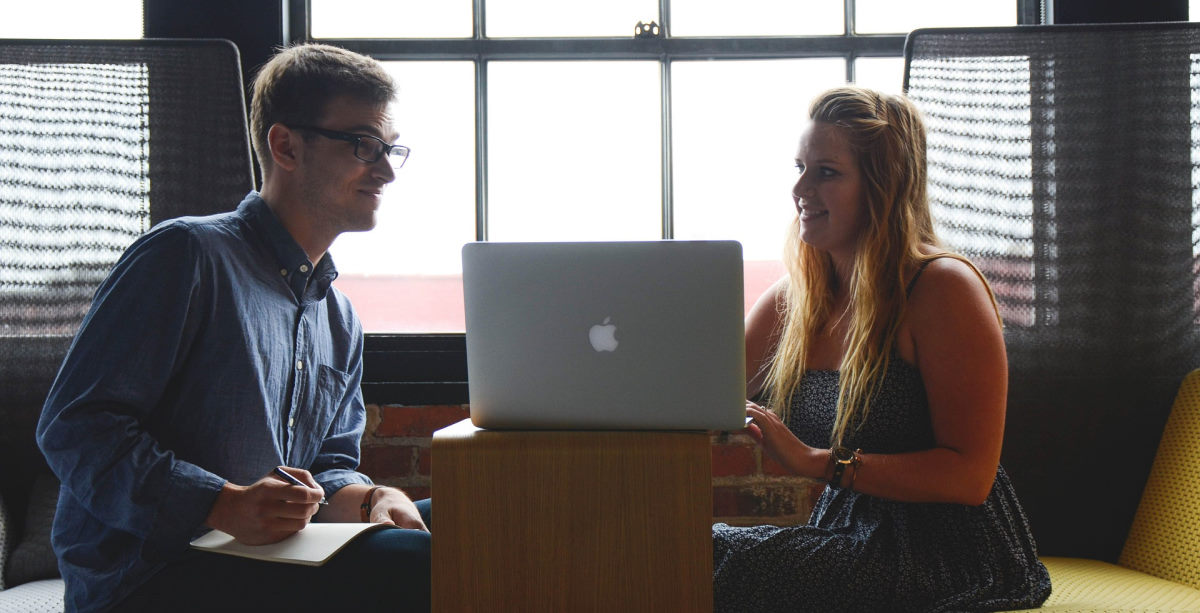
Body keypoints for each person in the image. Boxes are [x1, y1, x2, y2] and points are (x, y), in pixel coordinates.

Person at [37, 43, 430, 613]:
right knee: (422, 566)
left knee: (474, 530)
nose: (387, 170)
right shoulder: (185, 255)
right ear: (286, 145)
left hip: (269, 560)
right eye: (364, 145)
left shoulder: (338, 317)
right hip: (151, 577)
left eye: (391, 148)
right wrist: (218, 503)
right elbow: (75, 427)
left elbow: (327, 469)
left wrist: (372, 496)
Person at [712, 86, 1051, 612]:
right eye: (800, 167)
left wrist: (815, 461)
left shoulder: (941, 288)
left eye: (826, 172)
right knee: (683, 551)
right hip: (844, 542)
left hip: (948, 557)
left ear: (882, 186)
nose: (800, 188)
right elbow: (699, 394)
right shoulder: (796, 301)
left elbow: (970, 477)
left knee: (716, 565)